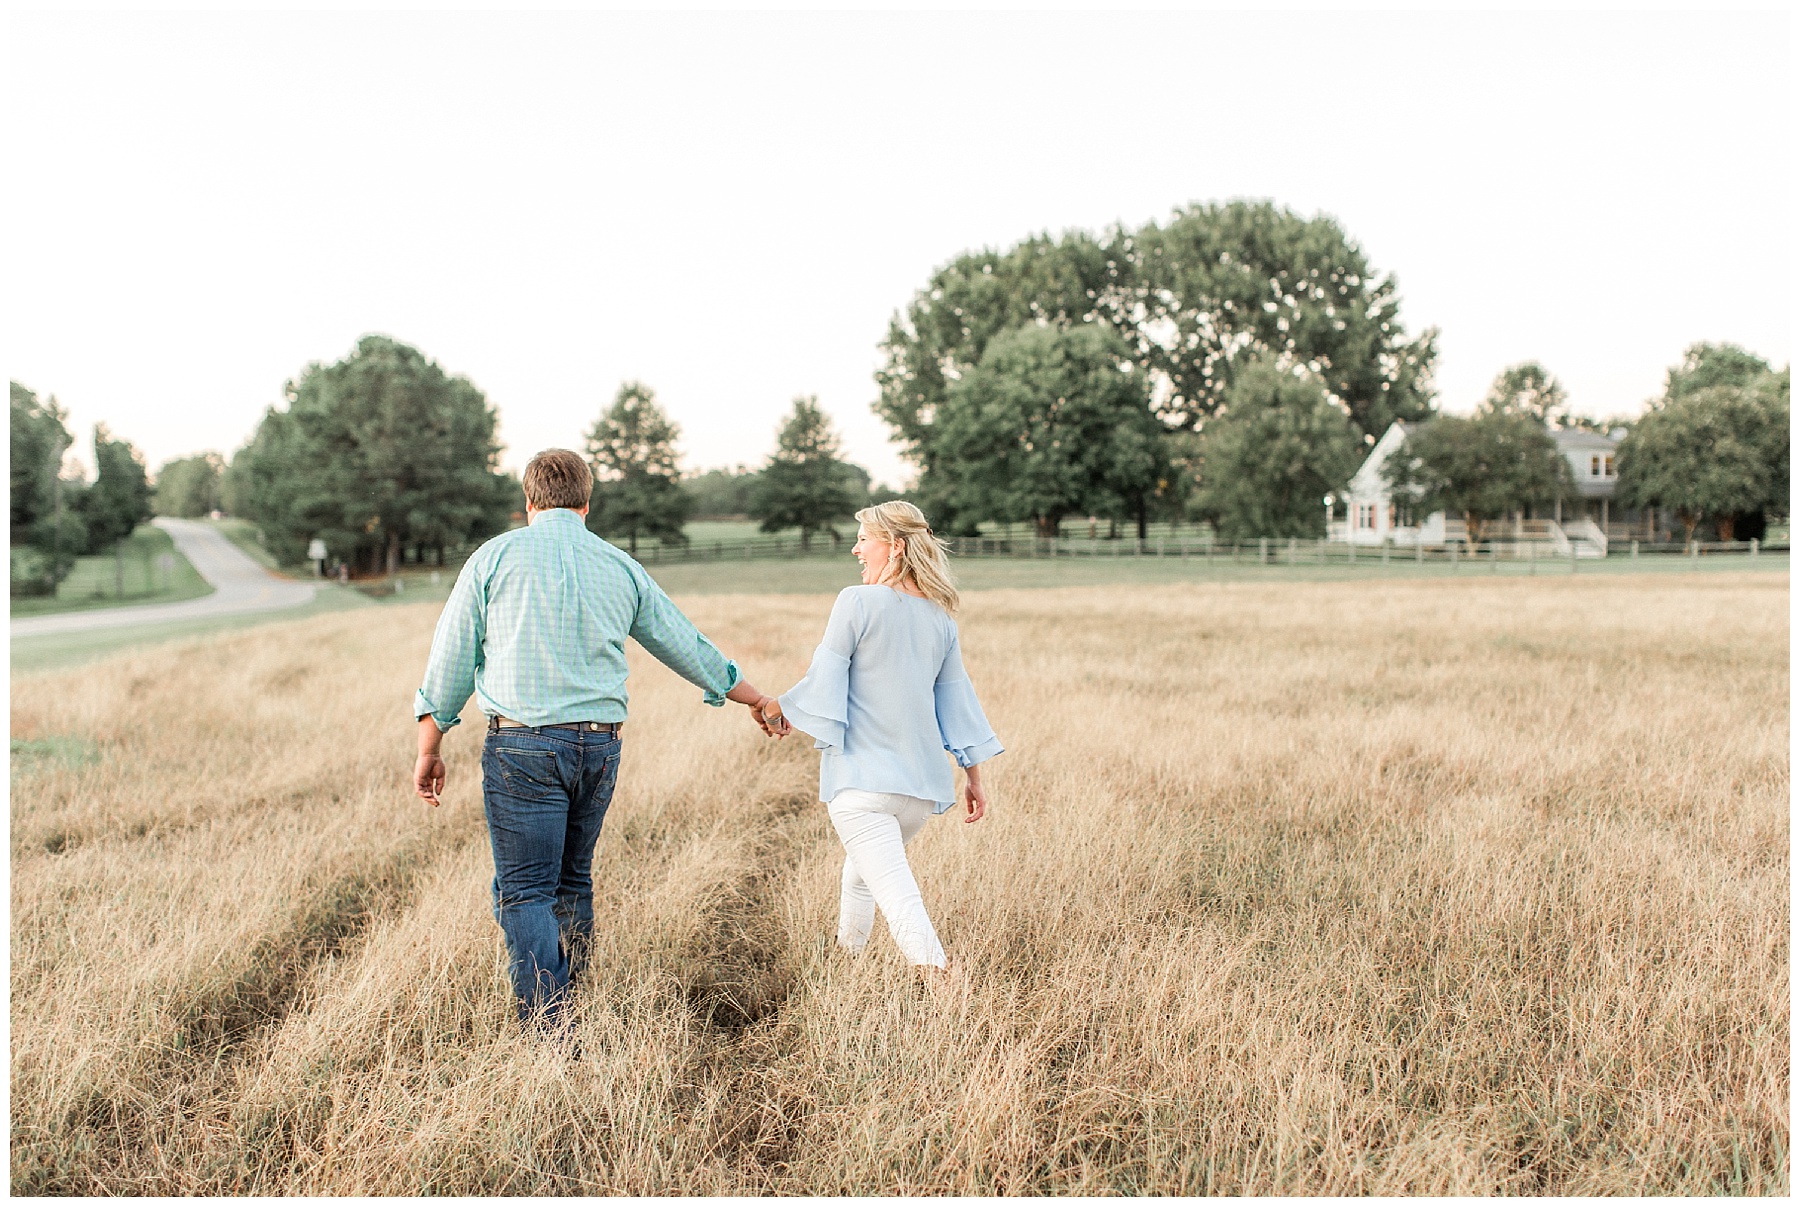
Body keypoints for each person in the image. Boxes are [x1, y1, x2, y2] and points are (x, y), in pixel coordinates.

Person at [412, 448, 782, 1036]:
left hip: (523, 747)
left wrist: (431, 745)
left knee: (526, 891)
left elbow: (452, 657)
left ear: (528, 502)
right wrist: (753, 696)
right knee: (570, 880)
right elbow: (684, 642)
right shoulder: (619, 565)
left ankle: (550, 1030)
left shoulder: (493, 558)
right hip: (599, 746)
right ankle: (570, 995)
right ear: (587, 502)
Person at [758, 501, 1002, 974]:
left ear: (896, 547)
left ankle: (942, 982)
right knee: (862, 876)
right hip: (917, 793)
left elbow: (823, 675)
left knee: (896, 892)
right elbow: (959, 703)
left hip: (863, 788)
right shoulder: (941, 620)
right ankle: (847, 966)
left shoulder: (857, 601)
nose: (856, 549)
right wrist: (974, 777)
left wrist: (771, 708)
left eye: (864, 539)